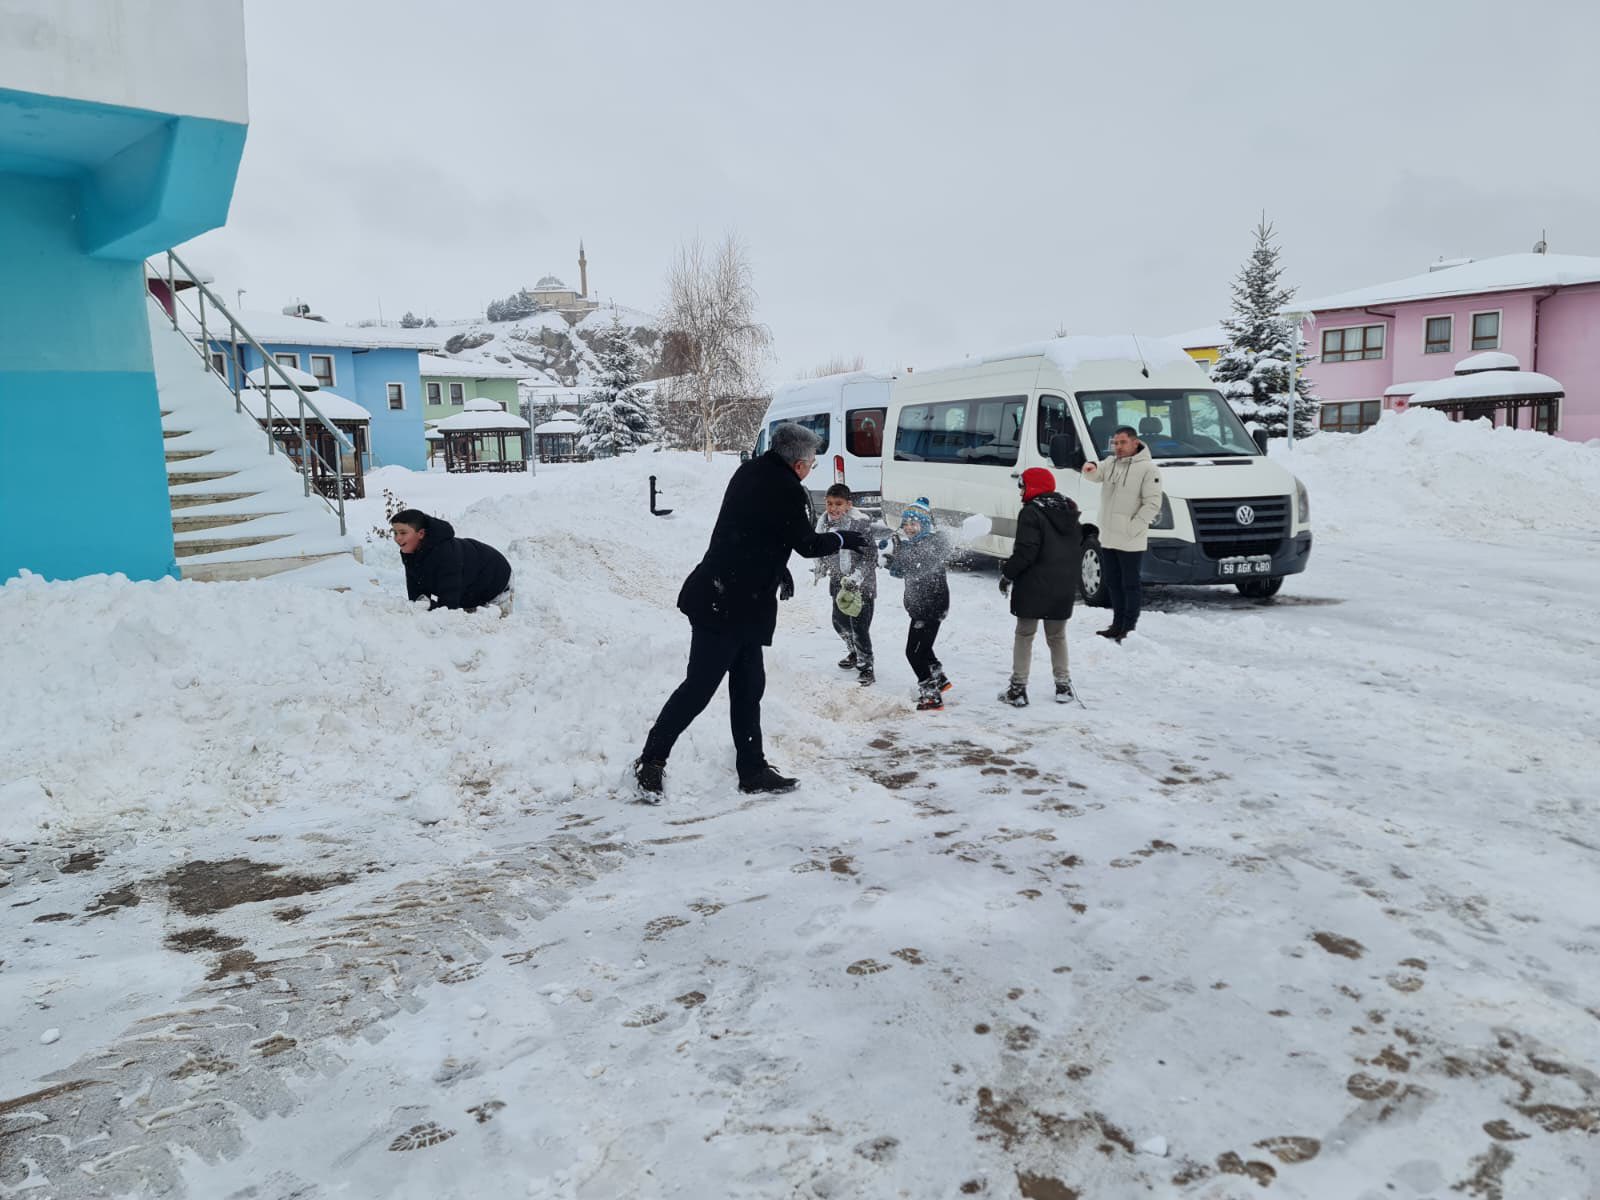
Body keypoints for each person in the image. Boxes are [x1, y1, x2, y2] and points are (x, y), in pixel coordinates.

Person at [634, 423, 872, 800]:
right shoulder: (786, 487)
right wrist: (845, 537)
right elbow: (807, 543)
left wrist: (778, 569)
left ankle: (753, 769)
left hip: (735, 595)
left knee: (748, 689)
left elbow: (754, 529)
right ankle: (651, 761)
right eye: (811, 462)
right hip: (724, 603)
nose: (812, 468)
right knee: (699, 688)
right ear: (798, 464)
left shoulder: (751, 471)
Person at [998, 467, 1082, 706]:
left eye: (1022, 486)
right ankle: (1063, 686)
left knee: (1025, 634)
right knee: (1057, 636)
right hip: (1063, 584)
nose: (1021, 492)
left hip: (1034, 583)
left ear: (1033, 486)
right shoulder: (1070, 510)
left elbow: (1026, 551)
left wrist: (1008, 573)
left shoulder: (1032, 513)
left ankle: (1018, 689)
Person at [1081, 425, 1163, 642]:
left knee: (1130, 583)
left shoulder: (1148, 469)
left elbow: (1153, 504)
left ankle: (1129, 627)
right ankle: (1116, 624)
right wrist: (1089, 466)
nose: (1117, 447)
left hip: (1130, 538)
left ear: (1135, 443)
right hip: (1108, 536)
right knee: (1113, 583)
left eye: (1122, 442)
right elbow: (1096, 473)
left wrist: (1133, 527)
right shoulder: (1111, 463)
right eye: (1115, 443)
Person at [885, 497, 953, 711]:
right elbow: (902, 570)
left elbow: (914, 566)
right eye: (906, 523)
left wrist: (896, 560)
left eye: (914, 523)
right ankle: (939, 678)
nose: (909, 528)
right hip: (924, 607)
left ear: (925, 525)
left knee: (913, 653)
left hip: (928, 609)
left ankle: (930, 694)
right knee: (923, 648)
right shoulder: (914, 545)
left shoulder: (929, 546)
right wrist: (893, 557)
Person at [390, 509, 514, 615]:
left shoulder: (445, 554)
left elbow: (449, 606)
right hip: (469, 588)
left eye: (403, 533)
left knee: (493, 629)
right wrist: (422, 606)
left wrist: (433, 608)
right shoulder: (409, 552)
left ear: (421, 533)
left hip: (497, 582)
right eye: (395, 533)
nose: (397, 538)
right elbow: (417, 594)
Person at [814, 483, 878, 687]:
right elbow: (821, 548)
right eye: (830, 503)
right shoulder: (823, 523)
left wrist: (856, 578)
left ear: (848, 505)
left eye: (838, 504)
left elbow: (870, 557)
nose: (833, 508)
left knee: (859, 626)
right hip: (837, 581)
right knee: (839, 621)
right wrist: (821, 566)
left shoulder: (860, 524)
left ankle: (866, 665)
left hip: (861, 584)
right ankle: (853, 651)